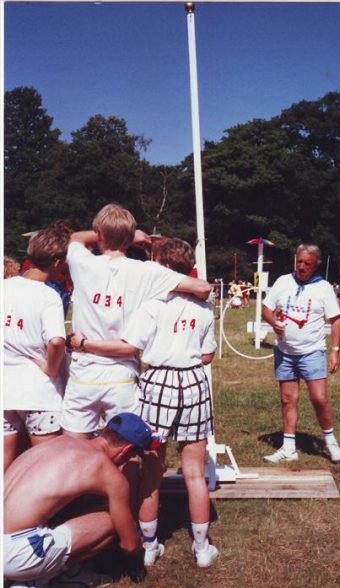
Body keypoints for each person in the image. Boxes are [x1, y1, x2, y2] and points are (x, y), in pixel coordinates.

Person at [69, 238, 219, 568]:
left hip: (159, 382)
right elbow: (207, 353)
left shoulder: (152, 305)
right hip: (194, 381)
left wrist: (82, 343)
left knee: (152, 472)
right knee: (194, 472)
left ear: (162, 267)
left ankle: (149, 545)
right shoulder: (204, 309)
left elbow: (130, 345)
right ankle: (202, 547)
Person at [61, 203, 211, 439]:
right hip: (122, 373)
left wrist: (123, 236)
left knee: (72, 450)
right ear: (129, 236)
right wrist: (128, 237)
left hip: (84, 371)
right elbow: (202, 288)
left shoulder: (82, 262)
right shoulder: (147, 271)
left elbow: (75, 237)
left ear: (99, 234)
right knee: (124, 449)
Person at [4, 412, 152, 588]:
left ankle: (63, 573)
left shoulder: (64, 441)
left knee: (78, 505)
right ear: (126, 450)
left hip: (10, 537)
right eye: (133, 455)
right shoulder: (108, 473)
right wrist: (136, 547)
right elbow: (129, 544)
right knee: (112, 521)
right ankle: (36, 584)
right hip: (14, 553)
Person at [261, 243, 340, 464]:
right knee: (288, 398)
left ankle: (330, 441)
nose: (301, 267)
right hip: (285, 352)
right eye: (298, 261)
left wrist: (335, 351)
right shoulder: (282, 282)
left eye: (307, 264)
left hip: (312, 352)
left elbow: (335, 320)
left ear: (316, 265)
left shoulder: (324, 287)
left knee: (319, 397)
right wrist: (274, 322)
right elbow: (266, 309)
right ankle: (288, 448)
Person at [3, 225, 69, 471]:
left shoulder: (5, 287)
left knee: (6, 466)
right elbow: (56, 341)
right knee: (44, 468)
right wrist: (51, 369)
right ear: (57, 262)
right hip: (39, 392)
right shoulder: (47, 296)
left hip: (5, 388)